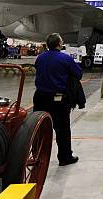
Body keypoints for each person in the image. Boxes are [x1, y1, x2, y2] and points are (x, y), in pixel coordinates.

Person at [33, 33, 82, 166]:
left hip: (40, 96)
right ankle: (65, 157)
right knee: (62, 129)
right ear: (59, 44)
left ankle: (37, 155)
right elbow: (78, 74)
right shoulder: (65, 58)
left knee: (38, 126)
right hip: (57, 98)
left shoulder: (40, 57)